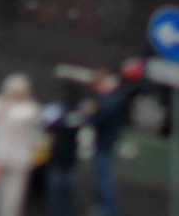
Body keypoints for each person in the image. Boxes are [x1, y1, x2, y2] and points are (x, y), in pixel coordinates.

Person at [0, 74, 41, 216]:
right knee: (11, 199)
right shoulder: (29, 110)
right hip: (16, 161)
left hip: (1, 157)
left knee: (1, 197)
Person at [89, 71, 130, 216]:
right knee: (103, 173)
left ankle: (107, 209)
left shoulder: (108, 101)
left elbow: (99, 117)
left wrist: (90, 117)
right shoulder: (119, 96)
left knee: (103, 175)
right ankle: (106, 207)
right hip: (110, 138)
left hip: (104, 140)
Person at [41, 83, 85, 216]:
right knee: (67, 195)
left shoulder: (58, 111)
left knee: (59, 194)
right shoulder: (79, 112)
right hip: (67, 158)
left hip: (61, 157)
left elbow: (47, 125)